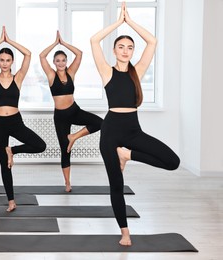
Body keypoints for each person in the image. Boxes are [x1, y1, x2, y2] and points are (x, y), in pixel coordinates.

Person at [90, 2, 180, 246]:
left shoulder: (136, 71)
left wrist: (131, 23)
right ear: (114, 50)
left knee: (173, 162)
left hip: (132, 131)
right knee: (116, 185)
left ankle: (128, 155)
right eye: (121, 47)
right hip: (110, 132)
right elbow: (93, 41)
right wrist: (117, 24)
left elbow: (152, 41)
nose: (126, 51)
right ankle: (125, 233)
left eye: (130, 47)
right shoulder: (106, 72)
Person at [0, 26, 46, 212]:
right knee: (4, 165)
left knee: (40, 145)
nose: (4, 63)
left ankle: (13, 150)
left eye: (8, 60)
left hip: (16, 122)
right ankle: (11, 201)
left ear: (12, 62)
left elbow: (28, 54)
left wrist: (9, 41)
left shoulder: (18, 78)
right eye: (1, 60)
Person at [39, 31, 103, 192]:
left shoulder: (71, 72)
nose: (61, 63)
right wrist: (55, 43)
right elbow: (41, 56)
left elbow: (80, 54)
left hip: (74, 110)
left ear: (66, 61)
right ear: (54, 62)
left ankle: (74, 136)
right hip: (60, 117)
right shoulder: (51, 75)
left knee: (99, 122)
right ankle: (67, 183)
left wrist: (64, 43)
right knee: (65, 149)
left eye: (63, 60)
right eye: (58, 60)